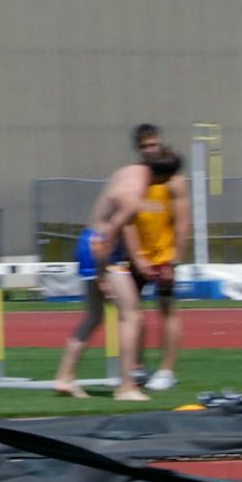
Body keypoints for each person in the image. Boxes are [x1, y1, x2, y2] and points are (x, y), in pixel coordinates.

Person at [49, 150, 183, 402]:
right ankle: (125, 386)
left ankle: (64, 377)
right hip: (102, 250)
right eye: (163, 182)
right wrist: (101, 274)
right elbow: (111, 233)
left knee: (94, 316)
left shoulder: (127, 171)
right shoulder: (135, 194)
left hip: (87, 241)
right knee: (132, 316)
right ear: (161, 176)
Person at [130, 124, 192, 392]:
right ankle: (137, 366)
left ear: (161, 143)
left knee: (167, 311)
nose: (149, 150)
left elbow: (182, 224)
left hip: (163, 256)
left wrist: (174, 259)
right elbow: (127, 220)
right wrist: (136, 257)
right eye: (144, 146)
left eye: (153, 144)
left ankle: (167, 370)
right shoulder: (136, 177)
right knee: (133, 315)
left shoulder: (173, 180)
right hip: (137, 257)